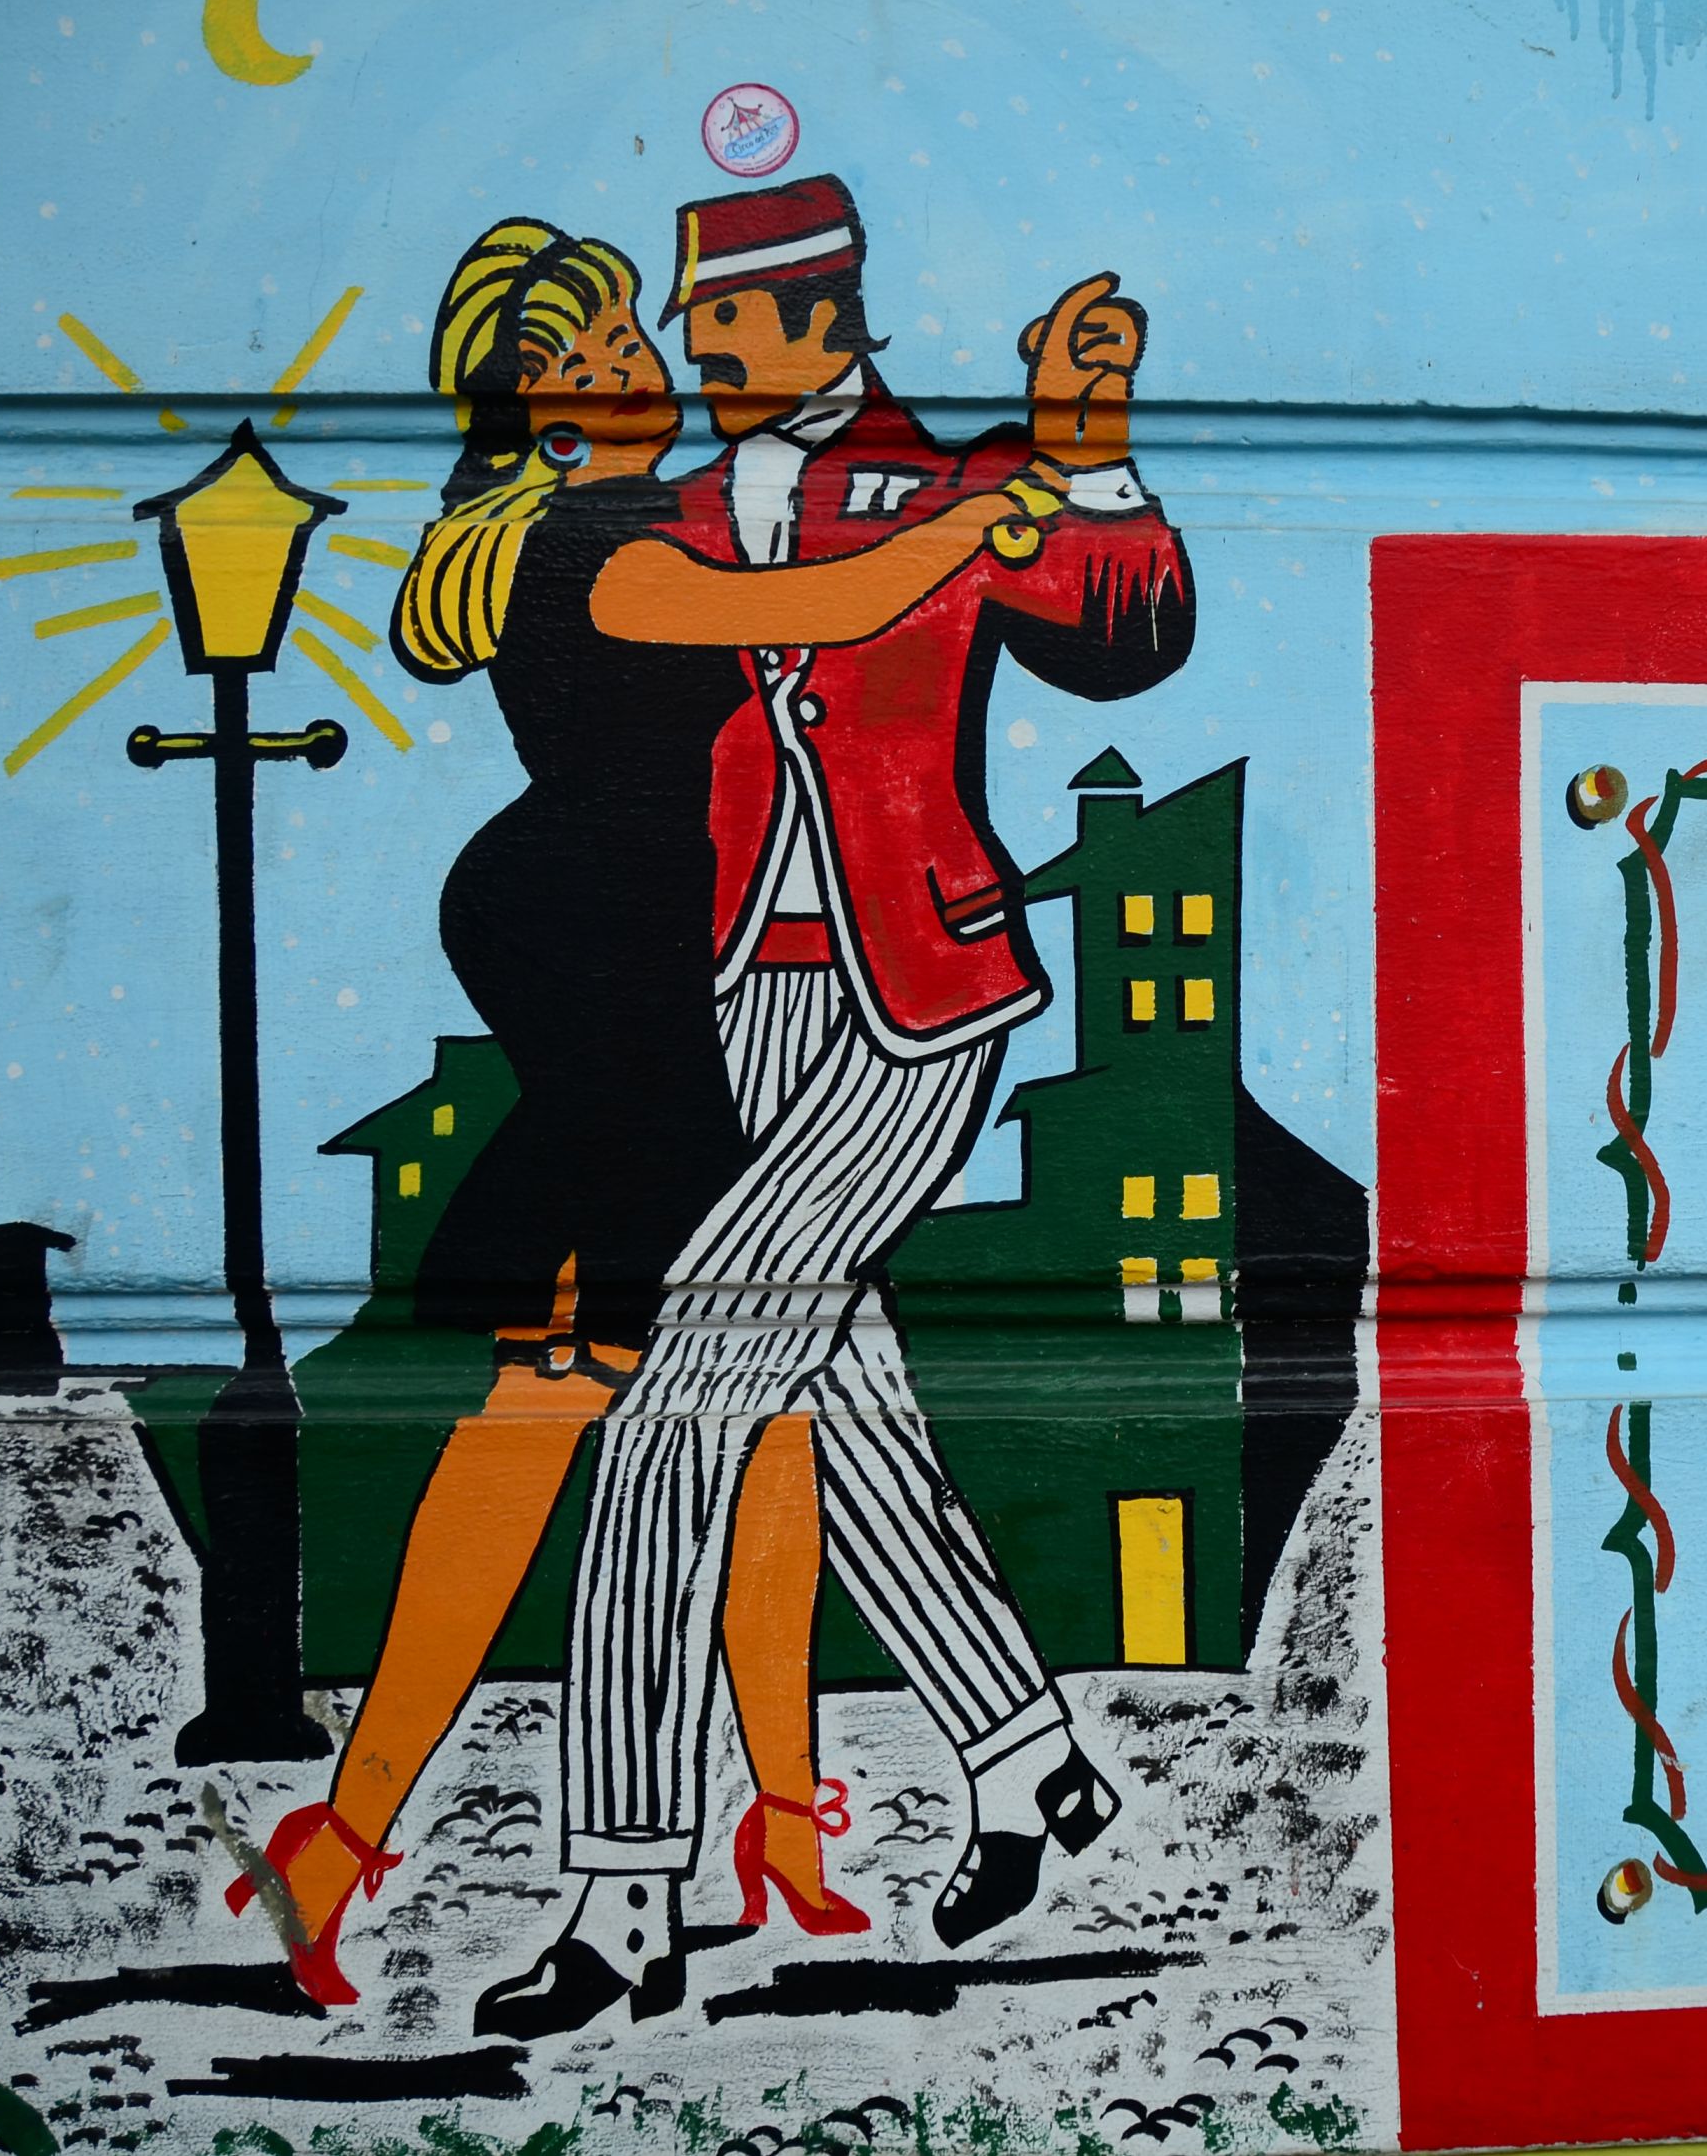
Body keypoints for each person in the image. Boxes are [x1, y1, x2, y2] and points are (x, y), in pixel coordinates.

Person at [230, 218, 1030, 2015]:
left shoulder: (627, 513)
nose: (639, 352)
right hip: (622, 965)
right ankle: (353, 1839)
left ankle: (780, 1818)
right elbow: (814, 612)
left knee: (755, 1391)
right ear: (544, 401)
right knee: (595, 1394)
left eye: (628, 326)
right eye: (592, 344)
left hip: (648, 949)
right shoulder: (593, 538)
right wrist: (980, 514)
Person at [475, 174, 1193, 2039]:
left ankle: (623, 1895)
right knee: (837, 1397)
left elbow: (1124, 625)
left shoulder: (956, 475)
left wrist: (1090, 455)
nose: (696, 347)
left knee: (676, 1410)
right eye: (688, 318)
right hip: (741, 994)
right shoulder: (672, 515)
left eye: (723, 318)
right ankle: (1029, 1758)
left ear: (823, 311)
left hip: (917, 994)